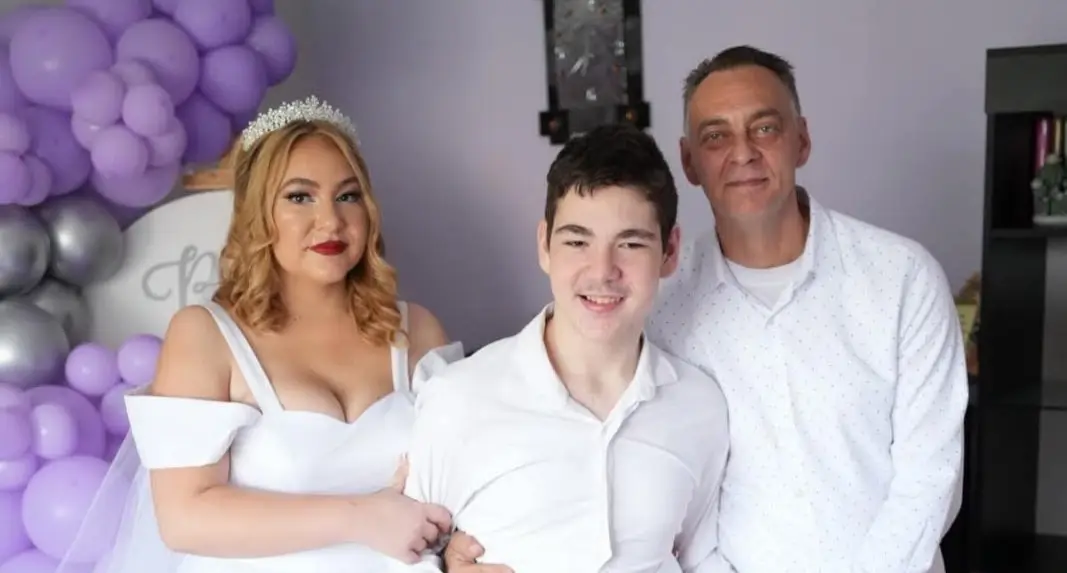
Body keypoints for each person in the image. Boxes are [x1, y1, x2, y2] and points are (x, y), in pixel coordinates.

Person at [445, 46, 968, 573]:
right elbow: (583, 439)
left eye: (765, 128)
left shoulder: (901, 278)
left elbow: (930, 479)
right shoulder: (654, 299)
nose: (742, 153)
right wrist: (451, 547)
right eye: (716, 136)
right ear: (690, 160)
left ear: (802, 139)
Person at [59, 96, 463, 573]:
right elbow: (184, 518)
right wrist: (362, 517)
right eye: (299, 197)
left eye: (348, 195)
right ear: (257, 212)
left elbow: (468, 473)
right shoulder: (206, 336)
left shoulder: (418, 332)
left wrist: (461, 552)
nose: (330, 221)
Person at [402, 124, 731, 573]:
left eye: (630, 243)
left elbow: (702, 559)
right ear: (544, 245)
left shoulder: (699, 406)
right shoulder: (456, 399)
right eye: (577, 241)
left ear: (670, 252)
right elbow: (406, 557)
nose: (602, 271)